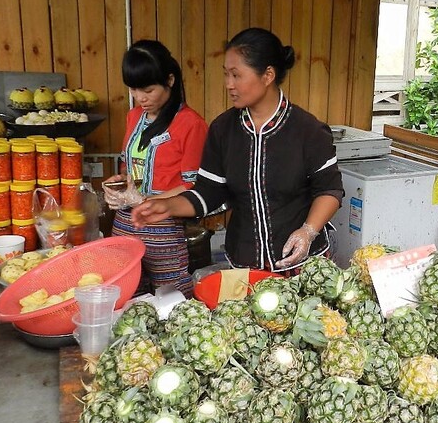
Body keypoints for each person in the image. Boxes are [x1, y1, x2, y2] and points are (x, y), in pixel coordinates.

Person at [130, 27, 343, 272]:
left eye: (236, 75)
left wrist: (308, 231)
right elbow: (209, 193)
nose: (229, 84)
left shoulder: (307, 129)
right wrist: (168, 205)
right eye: (226, 75)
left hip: (303, 265)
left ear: (268, 75)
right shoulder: (223, 129)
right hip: (245, 262)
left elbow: (329, 190)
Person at [103, 40, 208, 295]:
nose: (140, 98)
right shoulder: (134, 116)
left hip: (164, 229)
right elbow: (130, 168)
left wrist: (146, 200)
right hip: (125, 224)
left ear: (170, 80)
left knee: (169, 300)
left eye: (148, 90)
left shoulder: (191, 124)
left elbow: (191, 185)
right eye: (134, 90)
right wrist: (117, 185)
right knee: (127, 296)